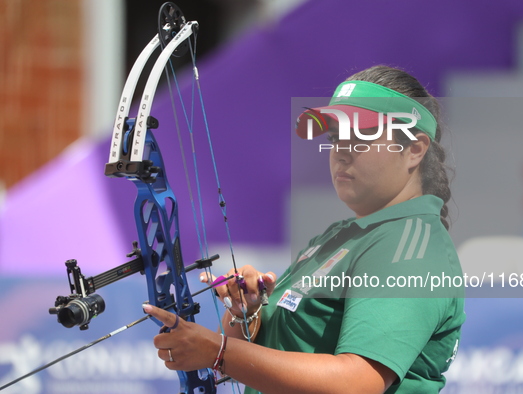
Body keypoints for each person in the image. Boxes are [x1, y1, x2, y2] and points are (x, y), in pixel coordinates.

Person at [142, 65, 465, 393]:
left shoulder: (411, 247)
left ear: (414, 149)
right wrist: (246, 313)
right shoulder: (342, 236)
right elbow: (257, 363)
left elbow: (356, 384)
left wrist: (218, 352)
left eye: (361, 136)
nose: (340, 151)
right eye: (335, 137)